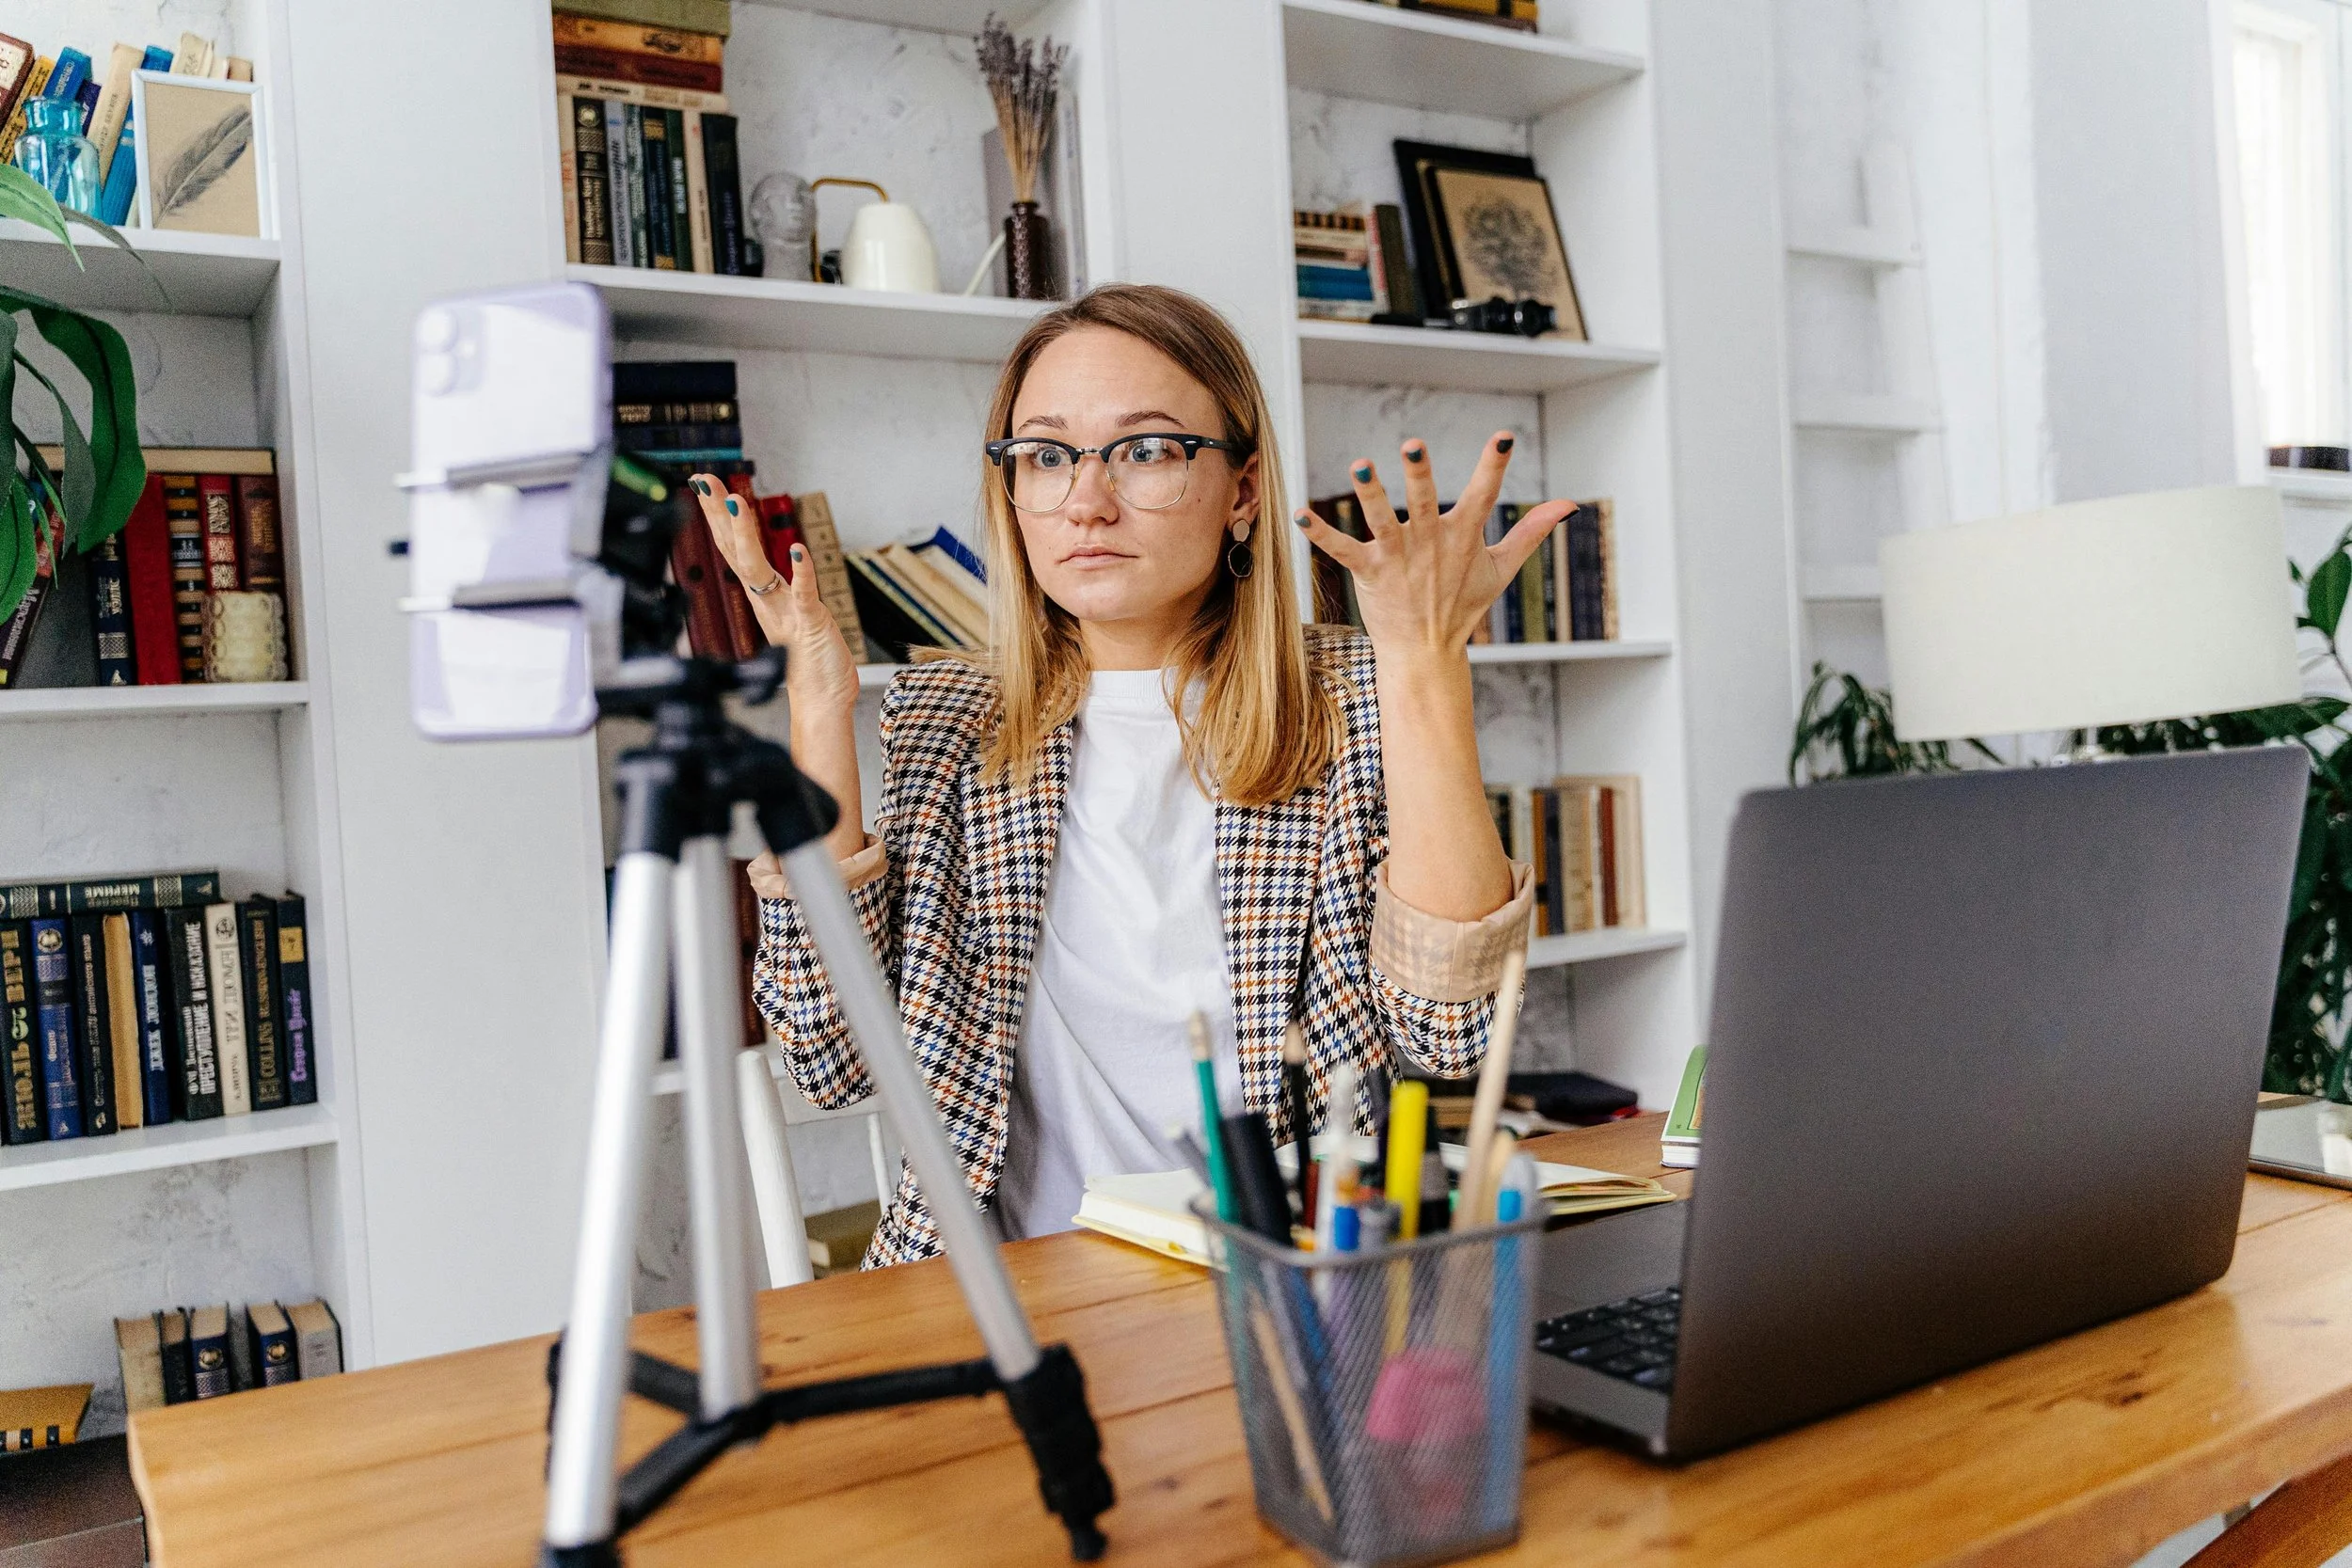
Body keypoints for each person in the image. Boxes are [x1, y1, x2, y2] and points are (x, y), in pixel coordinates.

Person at [691, 283, 1569, 1267]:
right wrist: (817, 704)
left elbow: (1457, 1036)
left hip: (1289, 1282)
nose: (1086, 500)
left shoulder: (1353, 699)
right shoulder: (944, 719)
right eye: (1046, 454)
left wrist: (1421, 662)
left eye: (1147, 449)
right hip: (1004, 1295)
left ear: (1242, 492)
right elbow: (829, 1057)